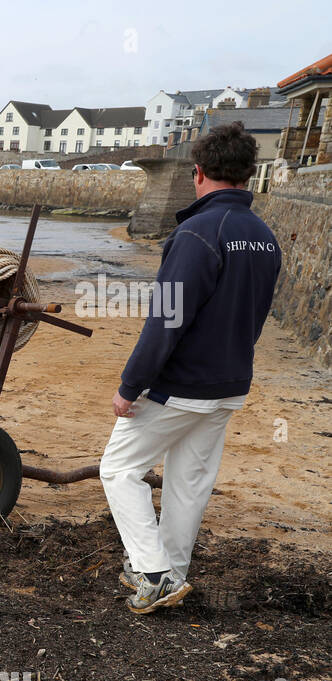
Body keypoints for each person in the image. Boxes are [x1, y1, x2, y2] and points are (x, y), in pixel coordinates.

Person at [99, 122, 281, 614]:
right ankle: (172, 575)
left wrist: (130, 386)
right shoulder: (265, 237)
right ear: (248, 174)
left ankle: (153, 573)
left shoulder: (198, 232)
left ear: (198, 173)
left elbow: (166, 320)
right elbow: (256, 314)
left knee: (118, 469)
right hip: (230, 384)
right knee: (188, 483)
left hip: (182, 386)